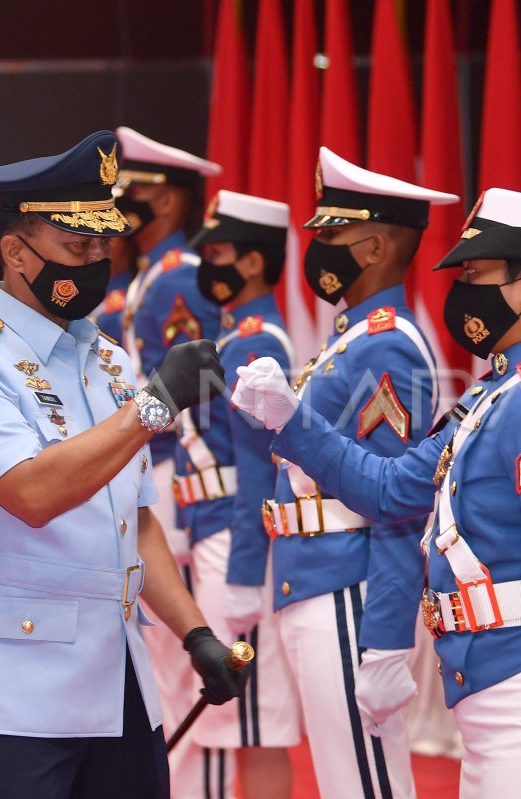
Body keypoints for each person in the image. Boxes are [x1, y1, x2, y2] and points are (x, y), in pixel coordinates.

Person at [232, 187, 521, 799]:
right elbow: (389, 490)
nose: (463, 288)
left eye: (477, 272)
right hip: (486, 690)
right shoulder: (496, 394)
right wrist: (291, 420)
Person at [0, 130, 243, 798]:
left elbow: (134, 520)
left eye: (102, 246)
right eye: (76, 248)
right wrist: (153, 405)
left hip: (116, 680)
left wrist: (196, 631)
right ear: (15, 250)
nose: (96, 262)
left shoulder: (110, 361)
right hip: (11, 691)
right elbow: (34, 491)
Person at [224, 147, 454, 798]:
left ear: (377, 245)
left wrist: (386, 639)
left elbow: (396, 496)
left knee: (367, 785)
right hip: (313, 576)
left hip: (350, 586)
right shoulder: (347, 339)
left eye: (334, 233)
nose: (318, 246)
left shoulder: (385, 342)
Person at [114, 125, 233, 796]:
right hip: (148, 466)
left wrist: (187, 489)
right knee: (157, 650)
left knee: (178, 648)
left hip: (173, 472)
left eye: (132, 191)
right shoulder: (147, 278)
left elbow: (201, 392)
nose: (118, 204)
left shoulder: (180, 276)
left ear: (165, 203)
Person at [179, 189, 300, 799]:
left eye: (219, 251)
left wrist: (246, 572)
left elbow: (260, 468)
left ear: (252, 261)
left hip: (237, 538)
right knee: (233, 723)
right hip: (215, 530)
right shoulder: (235, 336)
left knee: (255, 722)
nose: (207, 265)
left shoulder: (259, 342)